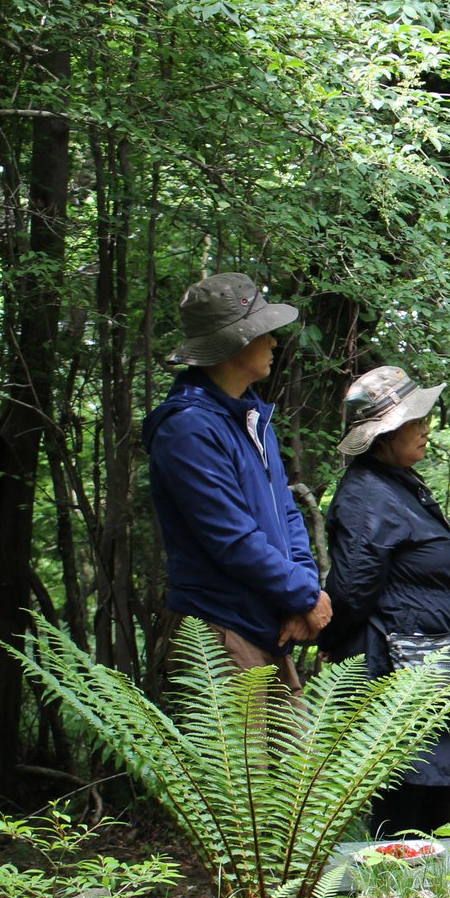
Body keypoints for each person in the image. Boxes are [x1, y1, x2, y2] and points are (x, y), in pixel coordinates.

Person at [321, 366, 450, 839]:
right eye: (413, 422)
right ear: (383, 434)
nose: (425, 429)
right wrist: (331, 641)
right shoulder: (366, 495)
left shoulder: (398, 484)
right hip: (396, 671)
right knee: (404, 800)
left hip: (430, 666)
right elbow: (353, 589)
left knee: (437, 795)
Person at [143, 272, 331, 693]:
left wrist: (300, 594)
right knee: (236, 762)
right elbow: (232, 539)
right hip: (218, 633)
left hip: (265, 623)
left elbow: (286, 513)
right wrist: (304, 596)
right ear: (235, 344)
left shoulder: (251, 418)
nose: (274, 343)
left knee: (299, 760)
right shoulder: (187, 429)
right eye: (264, 333)